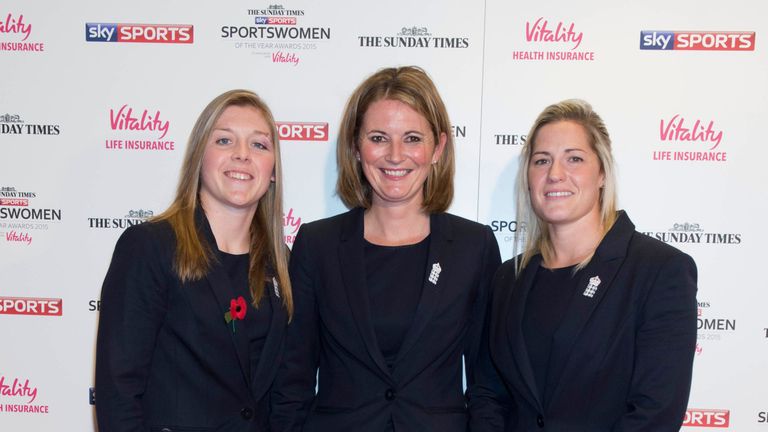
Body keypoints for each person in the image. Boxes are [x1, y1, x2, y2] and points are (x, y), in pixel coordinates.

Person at [271, 66, 501, 431]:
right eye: (378, 138)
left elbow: (487, 385)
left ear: (438, 148)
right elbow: (291, 383)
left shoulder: (474, 247)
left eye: (412, 138)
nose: (395, 155)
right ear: (355, 147)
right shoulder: (317, 245)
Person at [468, 99, 698, 431]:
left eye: (574, 158)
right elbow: (487, 393)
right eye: (542, 160)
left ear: (602, 173)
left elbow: (655, 413)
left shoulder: (659, 270)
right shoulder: (507, 278)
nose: (555, 174)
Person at [95, 89, 293, 432]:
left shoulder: (280, 262)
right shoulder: (150, 247)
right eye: (224, 140)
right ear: (199, 156)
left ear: (273, 170)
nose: (242, 154)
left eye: (259, 145)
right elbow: (118, 394)